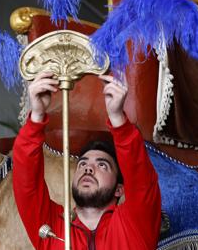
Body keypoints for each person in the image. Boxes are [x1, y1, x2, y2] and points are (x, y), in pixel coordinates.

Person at [12, 71, 161, 250]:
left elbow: (141, 181)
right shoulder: (51, 225)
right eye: (82, 164)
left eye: (102, 165)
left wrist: (118, 119)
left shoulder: (135, 223)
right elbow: (26, 184)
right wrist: (36, 115)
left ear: (119, 189)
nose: (88, 169)